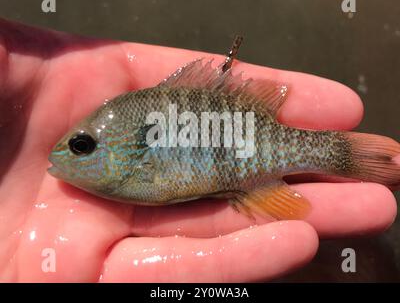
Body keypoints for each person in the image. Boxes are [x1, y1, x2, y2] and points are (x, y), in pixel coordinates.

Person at [0, 18, 397, 282]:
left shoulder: (136, 162)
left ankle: (343, 155)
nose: (66, 157)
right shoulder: (126, 157)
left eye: (82, 146)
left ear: (128, 148)